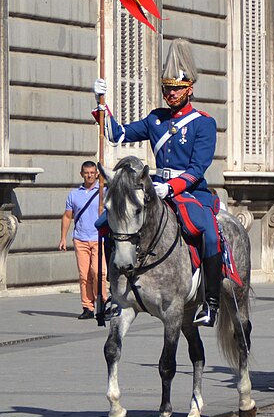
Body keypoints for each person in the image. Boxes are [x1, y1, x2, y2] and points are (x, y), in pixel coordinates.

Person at [92, 39, 223, 326]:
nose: (170, 93)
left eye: (176, 88)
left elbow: (198, 168)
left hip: (189, 191)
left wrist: (172, 187)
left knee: (209, 232)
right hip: (154, 189)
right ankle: (113, 294)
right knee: (106, 223)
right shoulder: (155, 120)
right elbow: (117, 134)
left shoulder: (203, 123)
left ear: (189, 89)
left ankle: (211, 302)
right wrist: (101, 105)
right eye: (167, 88)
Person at [59, 160, 106, 320]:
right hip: (80, 238)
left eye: (92, 173)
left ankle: (103, 303)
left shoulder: (103, 191)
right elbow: (67, 216)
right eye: (86, 173)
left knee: (99, 272)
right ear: (82, 174)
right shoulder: (74, 194)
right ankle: (87, 306)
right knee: (84, 274)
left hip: (99, 238)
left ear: (96, 174)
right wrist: (63, 238)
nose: (89, 175)